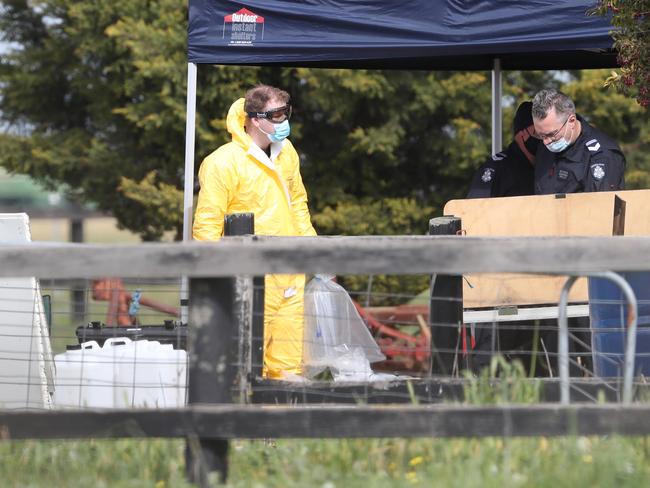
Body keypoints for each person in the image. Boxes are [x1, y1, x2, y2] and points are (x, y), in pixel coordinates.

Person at [193, 84, 316, 380]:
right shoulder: (221, 163)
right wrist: (217, 281)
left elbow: (298, 204)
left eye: (286, 113)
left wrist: (315, 251)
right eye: (276, 115)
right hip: (247, 281)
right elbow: (206, 226)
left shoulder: (287, 154)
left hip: (289, 274)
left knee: (289, 367)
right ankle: (246, 425)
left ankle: (280, 423)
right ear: (255, 119)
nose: (283, 121)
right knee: (246, 366)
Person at [532, 88, 626, 195]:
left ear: (571, 121)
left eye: (551, 134)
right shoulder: (544, 146)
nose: (546, 142)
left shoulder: (602, 155)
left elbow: (602, 207)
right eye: (541, 135)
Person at [467, 101, 540, 198]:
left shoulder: (549, 166)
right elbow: (476, 208)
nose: (545, 138)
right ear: (520, 134)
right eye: (539, 131)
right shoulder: (498, 168)